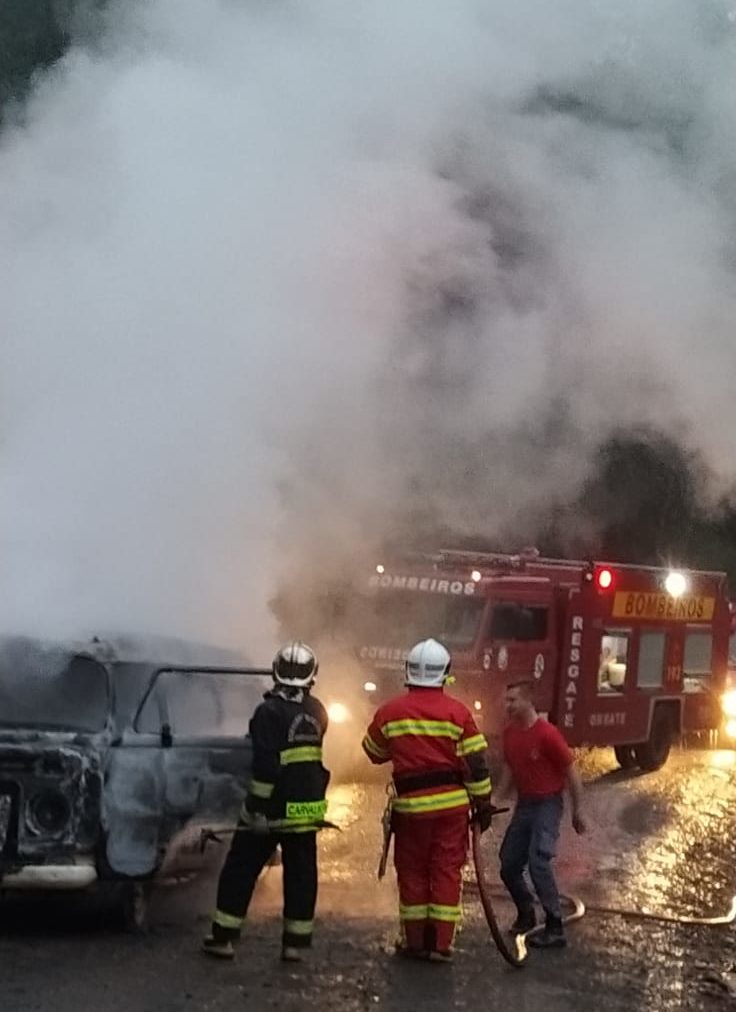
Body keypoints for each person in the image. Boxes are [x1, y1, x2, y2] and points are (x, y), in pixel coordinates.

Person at [362, 638, 493, 963]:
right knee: (446, 871)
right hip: (451, 810)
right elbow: (476, 763)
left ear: (408, 672)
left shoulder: (389, 711)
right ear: (445, 674)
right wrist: (483, 803)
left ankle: (415, 942)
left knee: (413, 872)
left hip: (410, 810)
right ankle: (441, 945)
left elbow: (373, 752)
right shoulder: (458, 712)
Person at [202, 641, 329, 963]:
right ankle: (294, 945)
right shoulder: (317, 710)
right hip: (306, 808)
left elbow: (266, 770)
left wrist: (255, 811)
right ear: (312, 676)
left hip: (271, 808)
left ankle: (223, 938)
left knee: (241, 868)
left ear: (276, 672)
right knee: (301, 873)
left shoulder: (267, 712)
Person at [495, 680, 587, 949]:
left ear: (528, 701)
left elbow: (571, 772)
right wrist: (495, 799)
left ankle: (555, 925)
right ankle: (526, 914)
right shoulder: (510, 734)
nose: (508, 705)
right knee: (509, 864)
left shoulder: (547, 734)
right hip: (525, 804)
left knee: (538, 861)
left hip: (547, 804)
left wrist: (577, 810)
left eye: (513, 700)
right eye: (507, 700)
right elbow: (509, 771)